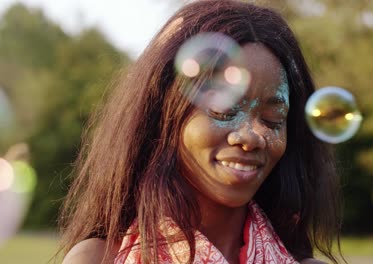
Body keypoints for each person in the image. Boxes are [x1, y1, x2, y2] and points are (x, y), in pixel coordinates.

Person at [59, 1, 343, 263]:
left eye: (272, 119)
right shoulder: (99, 259)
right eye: (223, 111)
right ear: (164, 117)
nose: (251, 135)